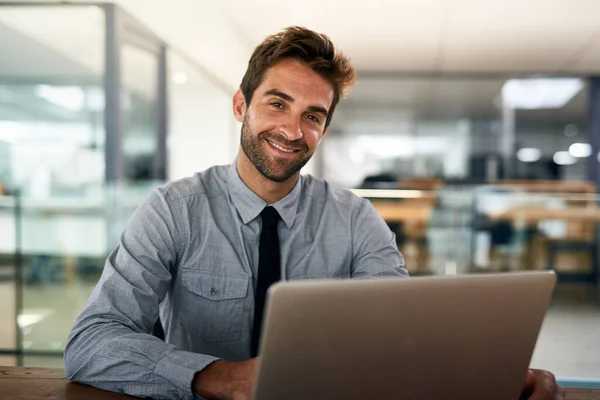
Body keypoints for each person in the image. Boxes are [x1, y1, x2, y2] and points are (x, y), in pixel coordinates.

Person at [64, 26, 564, 400]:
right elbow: (90, 342)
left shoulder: (355, 219)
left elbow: (403, 334)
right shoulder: (173, 210)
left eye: (312, 116)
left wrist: (496, 375)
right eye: (277, 104)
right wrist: (221, 376)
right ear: (241, 105)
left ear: (323, 129)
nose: (292, 129)